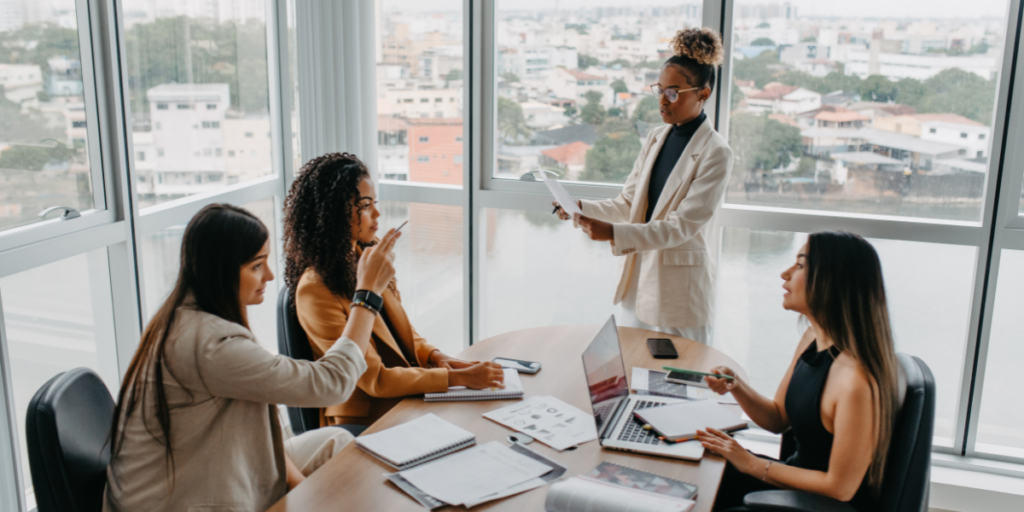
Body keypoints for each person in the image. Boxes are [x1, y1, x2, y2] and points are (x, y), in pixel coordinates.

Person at [105, 204, 400, 511]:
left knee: (335, 442)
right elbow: (332, 383)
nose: (270, 275)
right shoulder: (209, 345)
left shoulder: (192, 314)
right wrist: (366, 296)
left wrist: (305, 492)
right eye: (257, 266)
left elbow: (258, 429)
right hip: (179, 500)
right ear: (221, 271)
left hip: (212, 464)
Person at [283, 152, 504, 427]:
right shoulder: (314, 290)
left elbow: (401, 332)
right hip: (362, 421)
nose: (376, 213)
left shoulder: (366, 253)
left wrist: (437, 357)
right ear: (331, 214)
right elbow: (375, 380)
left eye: (374, 202)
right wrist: (456, 378)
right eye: (364, 205)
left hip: (400, 397)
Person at [696, 231, 900, 512]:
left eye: (800, 265)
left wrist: (751, 463)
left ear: (832, 281)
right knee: (690, 474)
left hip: (814, 503)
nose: (785, 273)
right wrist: (736, 385)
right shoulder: (811, 338)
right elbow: (778, 418)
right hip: (789, 483)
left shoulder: (855, 381)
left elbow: (840, 488)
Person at [554, 27, 733, 344]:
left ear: (703, 94)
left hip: (681, 293)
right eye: (659, 89)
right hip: (638, 282)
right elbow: (628, 204)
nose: (663, 101)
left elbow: (680, 227)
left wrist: (612, 232)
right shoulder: (656, 136)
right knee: (631, 369)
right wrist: (580, 208)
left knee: (680, 382)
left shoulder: (716, 152)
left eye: (674, 93)